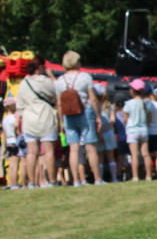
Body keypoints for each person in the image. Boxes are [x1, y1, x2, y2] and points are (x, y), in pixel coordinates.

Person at [54, 51, 104, 186]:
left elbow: (59, 103)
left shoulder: (59, 80)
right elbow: (93, 98)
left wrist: (61, 121)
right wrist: (98, 115)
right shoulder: (85, 77)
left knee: (74, 148)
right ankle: (98, 179)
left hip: (68, 115)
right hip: (85, 112)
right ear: (75, 62)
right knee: (91, 147)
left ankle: (76, 180)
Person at [15, 57, 58, 189]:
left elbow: (20, 105)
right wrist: (52, 76)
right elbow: (57, 92)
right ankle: (51, 181)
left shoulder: (23, 83)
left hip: (29, 119)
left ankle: (32, 182)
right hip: (45, 117)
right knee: (49, 151)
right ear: (39, 67)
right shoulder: (46, 81)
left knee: (31, 152)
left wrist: (21, 118)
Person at [123, 80, 152, 182]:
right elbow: (149, 118)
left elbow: (125, 119)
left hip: (132, 130)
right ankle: (148, 175)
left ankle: (135, 177)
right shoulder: (147, 104)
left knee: (134, 155)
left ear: (133, 91)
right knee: (146, 154)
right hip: (144, 129)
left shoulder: (128, 104)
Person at [93, 84, 118, 183]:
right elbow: (112, 121)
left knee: (100, 157)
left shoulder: (95, 107)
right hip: (109, 133)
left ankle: (100, 177)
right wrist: (105, 129)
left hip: (99, 133)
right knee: (110, 156)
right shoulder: (110, 106)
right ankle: (114, 177)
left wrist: (100, 132)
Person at [3, 96, 24, 189]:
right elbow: (16, 128)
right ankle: (15, 183)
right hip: (15, 142)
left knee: (11, 165)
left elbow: (5, 133)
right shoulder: (13, 118)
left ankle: (12, 183)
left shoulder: (5, 118)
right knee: (16, 164)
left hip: (8, 142)